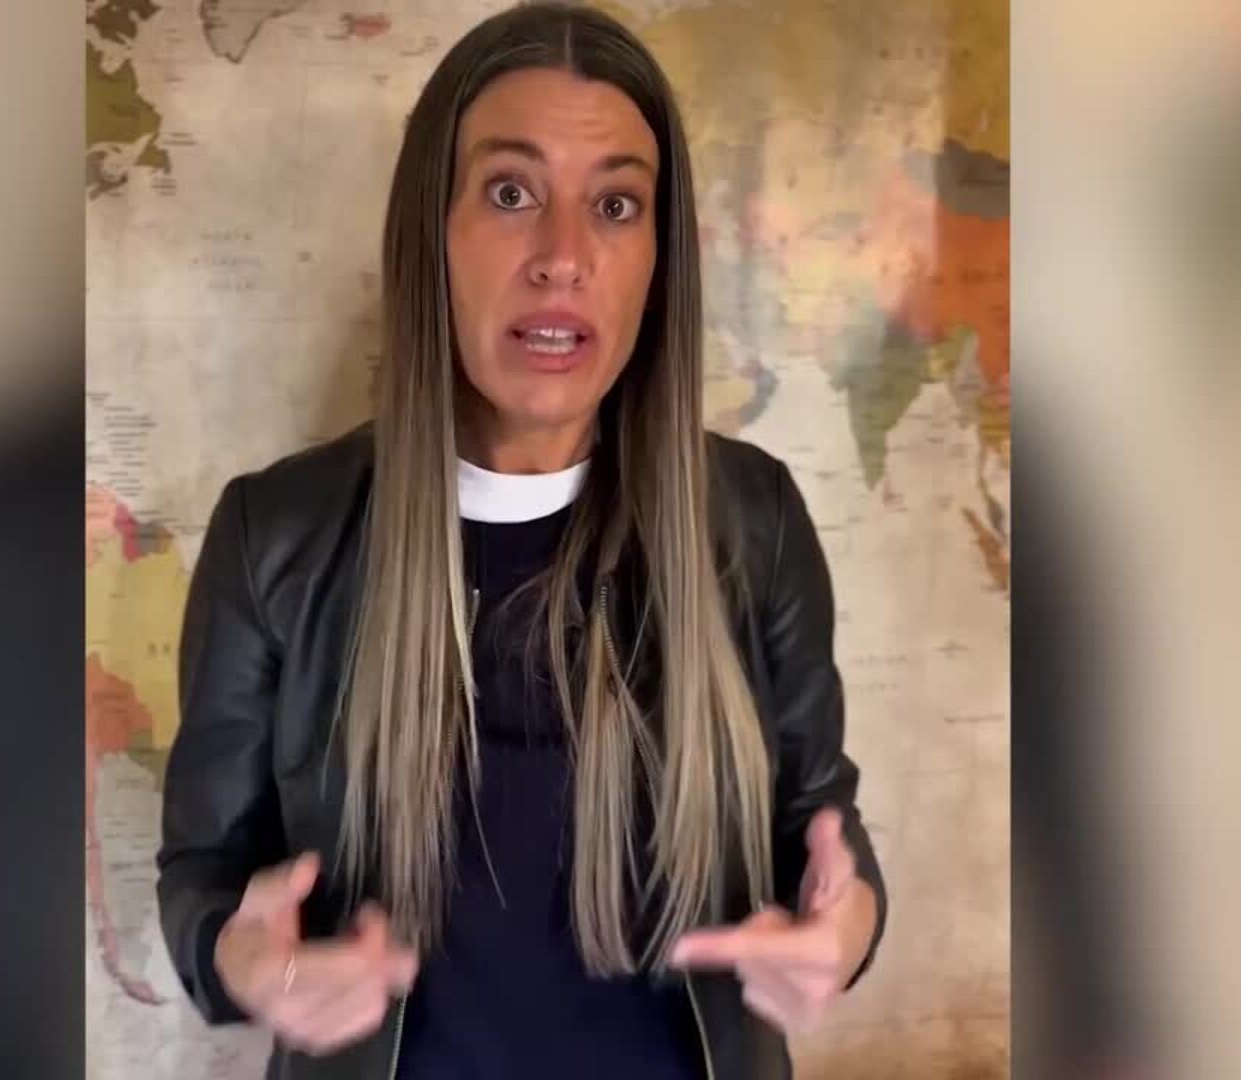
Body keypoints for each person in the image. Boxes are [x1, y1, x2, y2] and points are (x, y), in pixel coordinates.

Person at [158, 5, 886, 1078]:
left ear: (659, 257)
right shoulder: (276, 538)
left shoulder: (756, 522)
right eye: (511, 193)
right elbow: (204, 878)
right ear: (433, 230)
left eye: (616, 204)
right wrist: (240, 957)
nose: (564, 257)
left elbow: (823, 836)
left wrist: (847, 927)